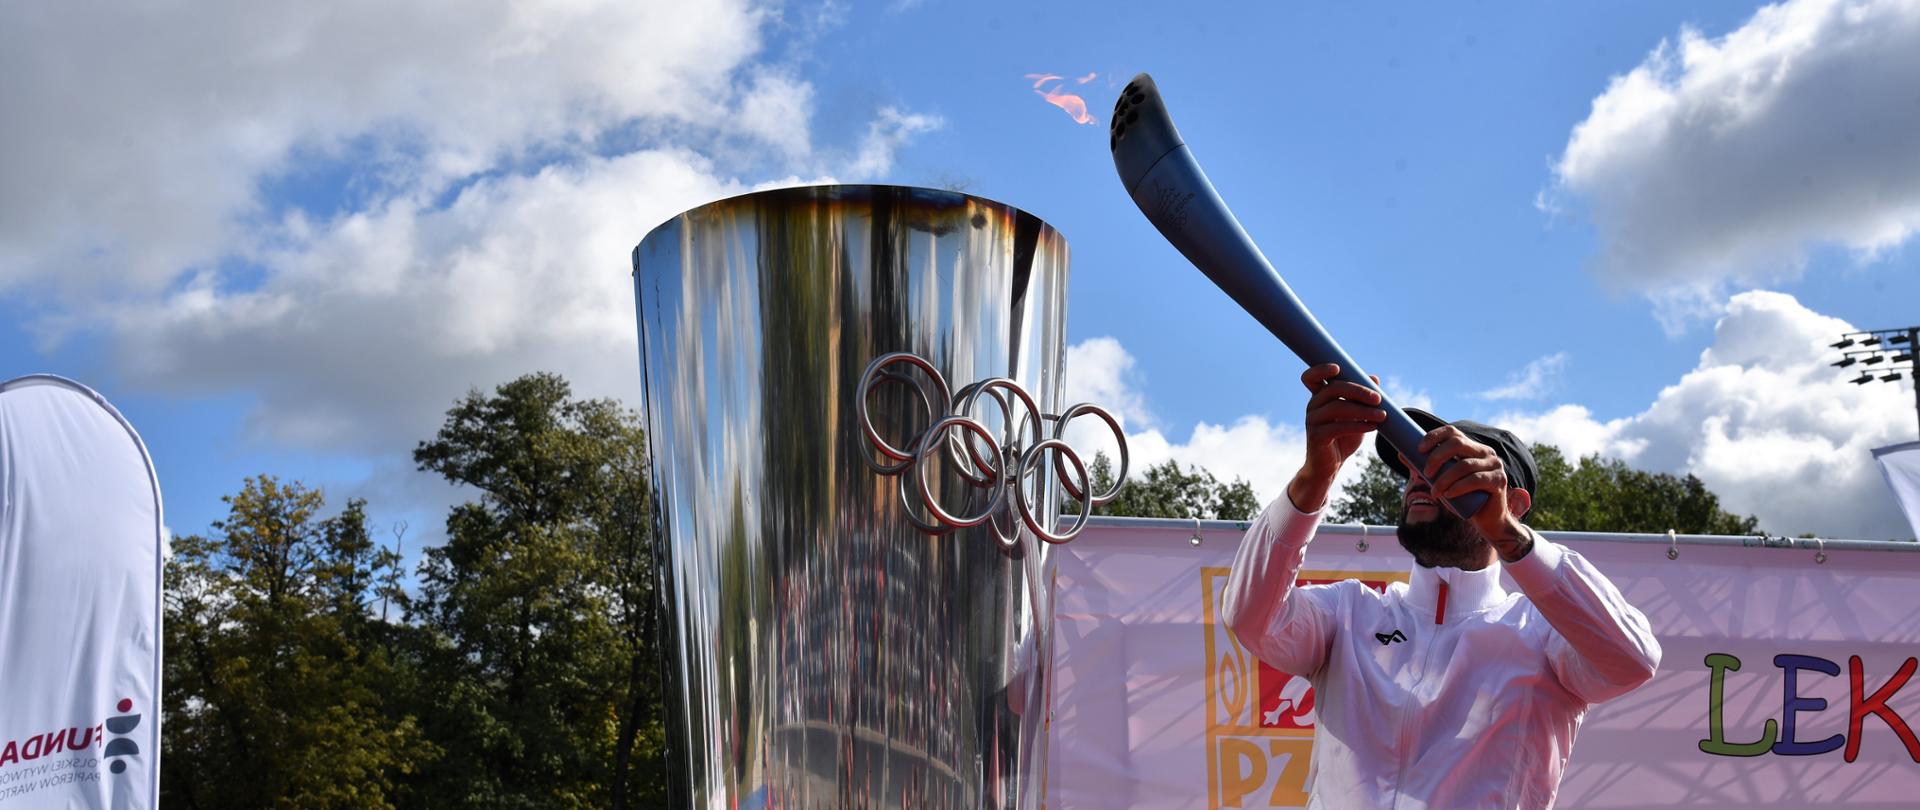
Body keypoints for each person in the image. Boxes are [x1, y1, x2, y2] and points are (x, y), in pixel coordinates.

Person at [1221, 364, 1661, 809]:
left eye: (1449, 467)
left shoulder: (1544, 633)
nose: (1419, 477)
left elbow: (1634, 660)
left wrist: (1507, 533)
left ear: (1515, 502)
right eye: (1414, 466)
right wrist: (1315, 477)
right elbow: (1249, 617)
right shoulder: (1350, 612)